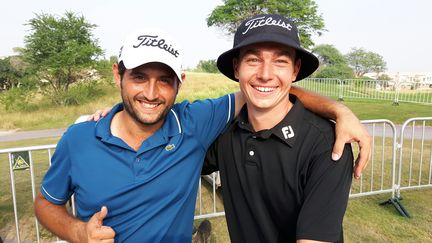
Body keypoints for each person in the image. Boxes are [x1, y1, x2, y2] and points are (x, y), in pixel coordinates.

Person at [34, 27, 369, 242]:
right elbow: (45, 204)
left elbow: (266, 88)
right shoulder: (79, 139)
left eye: (164, 80)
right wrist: (78, 232)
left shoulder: (194, 124)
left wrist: (339, 109)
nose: (151, 93)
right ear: (117, 75)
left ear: (180, 81)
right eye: (138, 77)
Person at [202, 13, 355, 243]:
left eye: (280, 61)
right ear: (236, 68)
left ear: (295, 70)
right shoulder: (224, 134)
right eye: (253, 60)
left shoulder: (327, 145)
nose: (265, 74)